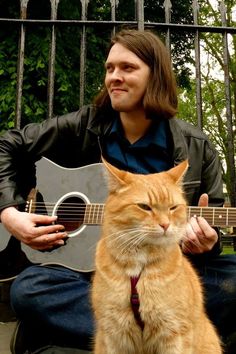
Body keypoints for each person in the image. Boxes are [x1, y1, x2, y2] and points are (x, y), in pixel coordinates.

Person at [0, 29, 235, 353]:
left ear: (156, 77)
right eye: (110, 68)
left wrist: (206, 244)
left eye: (127, 68)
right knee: (27, 290)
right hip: (90, 277)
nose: (114, 77)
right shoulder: (84, 125)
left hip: (164, 278)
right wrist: (9, 212)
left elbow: (213, 235)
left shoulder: (197, 148)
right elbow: (7, 144)